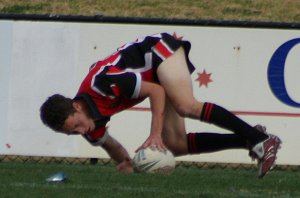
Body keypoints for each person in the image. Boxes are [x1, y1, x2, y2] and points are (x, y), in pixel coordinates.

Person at [40, 32, 281, 177]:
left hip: (158, 51)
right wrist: (125, 163)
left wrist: (154, 134)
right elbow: (111, 147)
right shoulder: (88, 124)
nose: (80, 132)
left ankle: (260, 141)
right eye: (72, 133)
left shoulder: (102, 85)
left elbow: (155, 91)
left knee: (186, 105)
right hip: (154, 75)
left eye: (76, 125)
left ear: (78, 107)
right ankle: (250, 139)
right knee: (174, 145)